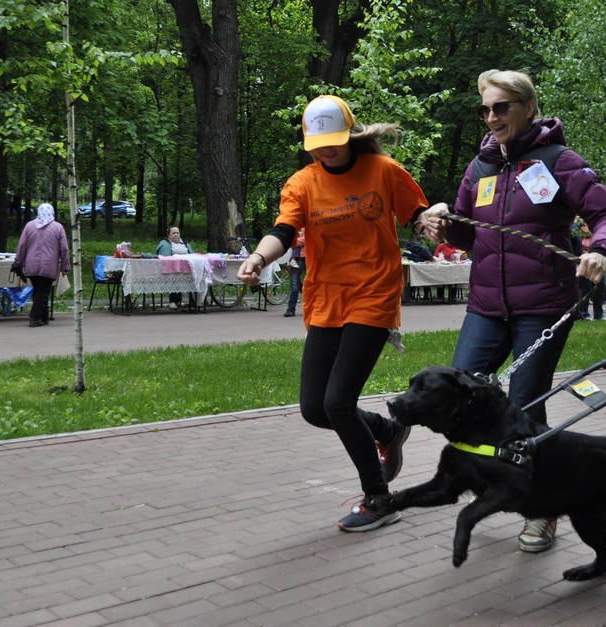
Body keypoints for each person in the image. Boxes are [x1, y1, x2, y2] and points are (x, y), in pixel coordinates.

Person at [419, 69, 606, 554]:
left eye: (501, 108)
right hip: (487, 306)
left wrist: (603, 249)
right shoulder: (481, 168)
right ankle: (489, 481)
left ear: (528, 108)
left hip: (544, 305)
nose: (491, 118)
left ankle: (544, 509)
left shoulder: (559, 162)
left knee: (525, 404)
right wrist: (444, 225)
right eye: (485, 109)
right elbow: (473, 236)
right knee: (460, 391)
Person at [236, 95, 427, 532]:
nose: (327, 149)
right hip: (325, 300)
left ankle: (379, 498)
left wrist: (429, 220)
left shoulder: (384, 171)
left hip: (373, 295)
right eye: (318, 143)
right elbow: (284, 231)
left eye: (335, 141)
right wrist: (259, 260)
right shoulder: (303, 182)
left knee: (338, 402)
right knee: (314, 408)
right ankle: (386, 430)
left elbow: (416, 214)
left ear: (351, 135)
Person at [14, 203, 69, 328]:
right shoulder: (58, 227)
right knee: (43, 292)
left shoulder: (29, 226)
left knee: (39, 291)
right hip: (49, 266)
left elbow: (22, 245)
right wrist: (65, 266)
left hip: (31, 265)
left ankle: (43, 318)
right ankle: (34, 318)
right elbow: (64, 248)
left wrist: (18, 262)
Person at [154, 227, 194, 309]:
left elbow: (192, 255)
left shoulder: (185, 243)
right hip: (173, 268)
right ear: (168, 235)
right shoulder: (165, 243)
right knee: (175, 277)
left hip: (186, 267)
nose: (176, 234)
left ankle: (193, 300)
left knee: (193, 277)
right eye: (173, 233)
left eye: (177, 233)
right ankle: (174, 301)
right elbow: (164, 258)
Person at [283, 228, 305, 317]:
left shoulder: (306, 224)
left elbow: (304, 240)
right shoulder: (295, 224)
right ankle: (308, 296)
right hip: (295, 256)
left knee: (294, 281)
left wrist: (290, 242)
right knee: (296, 281)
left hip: (302, 257)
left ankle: (291, 309)